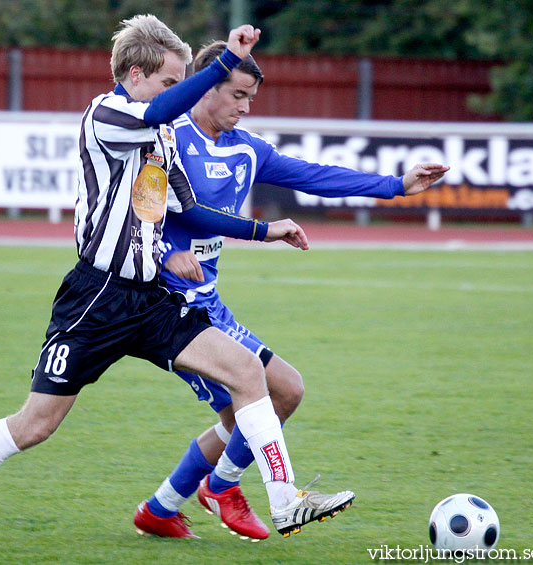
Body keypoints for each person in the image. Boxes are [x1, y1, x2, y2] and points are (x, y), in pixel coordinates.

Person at [0, 15, 335, 550]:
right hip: (96, 298)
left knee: (247, 372)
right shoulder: (107, 113)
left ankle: (285, 499)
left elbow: (190, 211)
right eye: (172, 81)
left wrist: (263, 231)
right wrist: (223, 61)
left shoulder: (161, 135)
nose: (181, 94)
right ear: (134, 73)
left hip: (152, 301)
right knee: (36, 424)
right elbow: (158, 111)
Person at [133, 41, 450, 540]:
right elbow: (132, 211)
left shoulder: (247, 149)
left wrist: (395, 185)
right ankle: (222, 489)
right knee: (272, 395)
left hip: (209, 302)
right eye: (238, 95)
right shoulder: (166, 140)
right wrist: (163, 253)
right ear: (206, 86)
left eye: (251, 99)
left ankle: (163, 506)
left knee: (264, 404)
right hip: (168, 309)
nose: (245, 107)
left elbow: (314, 176)